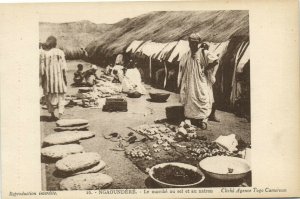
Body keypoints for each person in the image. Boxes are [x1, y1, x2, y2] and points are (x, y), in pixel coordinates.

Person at [178, 33, 218, 129]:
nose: (193, 45)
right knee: (190, 99)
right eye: (191, 43)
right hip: (189, 81)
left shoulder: (203, 52)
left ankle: (203, 118)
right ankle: (190, 118)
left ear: (198, 43)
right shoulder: (186, 54)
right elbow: (181, 67)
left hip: (200, 81)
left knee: (203, 98)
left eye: (195, 43)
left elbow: (216, 61)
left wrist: (205, 69)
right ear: (189, 43)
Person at [40, 36, 67, 120]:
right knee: (61, 97)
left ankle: (52, 115)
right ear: (55, 43)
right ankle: (60, 115)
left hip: (49, 80)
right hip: (59, 80)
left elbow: (42, 69)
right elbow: (64, 68)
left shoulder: (44, 53)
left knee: (48, 97)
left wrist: (42, 80)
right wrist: (65, 79)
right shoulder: (61, 52)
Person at [200, 43, 220, 122]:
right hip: (202, 79)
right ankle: (203, 115)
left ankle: (211, 115)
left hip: (209, 79)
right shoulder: (199, 57)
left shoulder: (210, 56)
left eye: (205, 48)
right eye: (202, 48)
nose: (204, 49)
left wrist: (207, 69)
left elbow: (216, 62)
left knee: (211, 97)